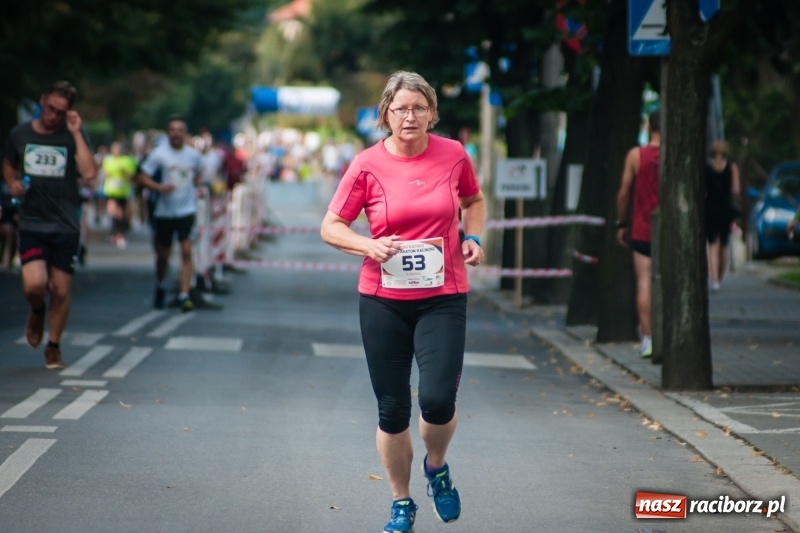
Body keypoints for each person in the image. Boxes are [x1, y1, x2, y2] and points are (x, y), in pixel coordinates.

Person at [320, 71, 485, 533]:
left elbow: (474, 199)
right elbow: (331, 226)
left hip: (443, 296)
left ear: (432, 112)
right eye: (400, 109)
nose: (409, 116)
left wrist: (471, 235)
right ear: (385, 115)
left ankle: (437, 466)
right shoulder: (367, 164)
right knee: (392, 409)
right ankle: (401, 501)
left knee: (435, 399)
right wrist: (367, 246)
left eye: (418, 107)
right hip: (383, 299)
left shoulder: (453, 155)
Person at [1, 81, 97, 369]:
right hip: (32, 221)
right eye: (50, 108)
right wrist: (12, 183)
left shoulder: (72, 136)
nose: (53, 116)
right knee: (34, 284)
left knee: (61, 289)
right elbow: (8, 163)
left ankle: (53, 346)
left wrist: (77, 132)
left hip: (65, 223)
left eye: (60, 112)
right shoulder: (21, 134)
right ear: (42, 101)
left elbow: (90, 173)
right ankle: (37, 310)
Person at [135, 115, 204, 312]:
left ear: (185, 133)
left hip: (186, 210)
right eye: (172, 130)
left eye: (180, 130)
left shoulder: (193, 155)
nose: (176, 134)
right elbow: (141, 177)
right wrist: (159, 187)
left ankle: (184, 294)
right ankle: (161, 284)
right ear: (168, 133)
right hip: (164, 212)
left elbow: (199, 173)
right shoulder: (159, 154)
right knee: (163, 255)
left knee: (186, 251)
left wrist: (198, 187)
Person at [615, 109, 661, 359]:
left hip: (643, 229)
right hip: (670, 231)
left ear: (649, 126)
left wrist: (621, 223)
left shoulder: (636, 155)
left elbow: (623, 192)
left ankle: (648, 339)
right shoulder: (677, 154)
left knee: (644, 281)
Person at [705, 139, 741, 292]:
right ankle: (720, 276)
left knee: (712, 245)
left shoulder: (706, 168)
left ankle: (714, 281)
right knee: (724, 246)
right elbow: (736, 190)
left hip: (710, 209)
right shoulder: (732, 167)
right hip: (725, 209)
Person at [102, 141, 137, 248]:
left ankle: (120, 234)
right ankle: (114, 233)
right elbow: (105, 174)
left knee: (123, 214)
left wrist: (124, 172)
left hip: (123, 191)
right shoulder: (108, 160)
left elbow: (131, 176)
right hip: (111, 190)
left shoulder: (127, 160)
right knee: (114, 212)